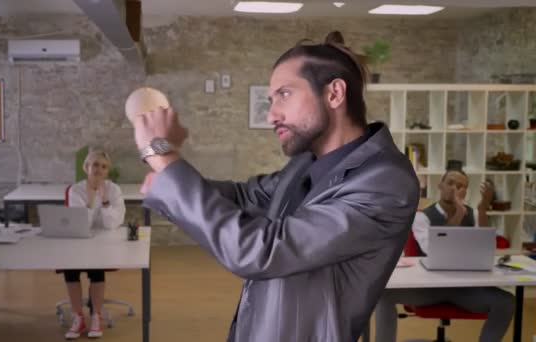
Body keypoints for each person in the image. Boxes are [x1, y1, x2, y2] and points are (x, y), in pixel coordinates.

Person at [133, 32, 420, 341]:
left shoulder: (386, 182)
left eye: (284, 94)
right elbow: (245, 197)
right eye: (271, 100)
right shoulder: (306, 163)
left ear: (334, 94)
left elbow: (262, 250)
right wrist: (170, 176)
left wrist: (162, 156)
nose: (271, 115)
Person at [375, 169, 515, 342]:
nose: (454, 189)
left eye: (461, 186)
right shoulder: (422, 218)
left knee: (506, 302)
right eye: (450, 183)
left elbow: (488, 247)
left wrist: (483, 209)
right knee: (383, 295)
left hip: (465, 288)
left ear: (466, 191)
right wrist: (458, 214)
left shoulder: (475, 215)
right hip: (429, 289)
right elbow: (434, 249)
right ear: (440, 186)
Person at [62, 150, 126, 340]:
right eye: (95, 165)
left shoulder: (114, 190)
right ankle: (78, 317)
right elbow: (80, 224)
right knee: (70, 269)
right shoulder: (76, 190)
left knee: (97, 267)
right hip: (78, 241)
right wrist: (90, 200)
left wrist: (104, 199)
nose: (99, 170)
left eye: (104, 166)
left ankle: (96, 315)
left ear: (108, 171)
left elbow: (113, 223)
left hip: (103, 244)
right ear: (86, 167)